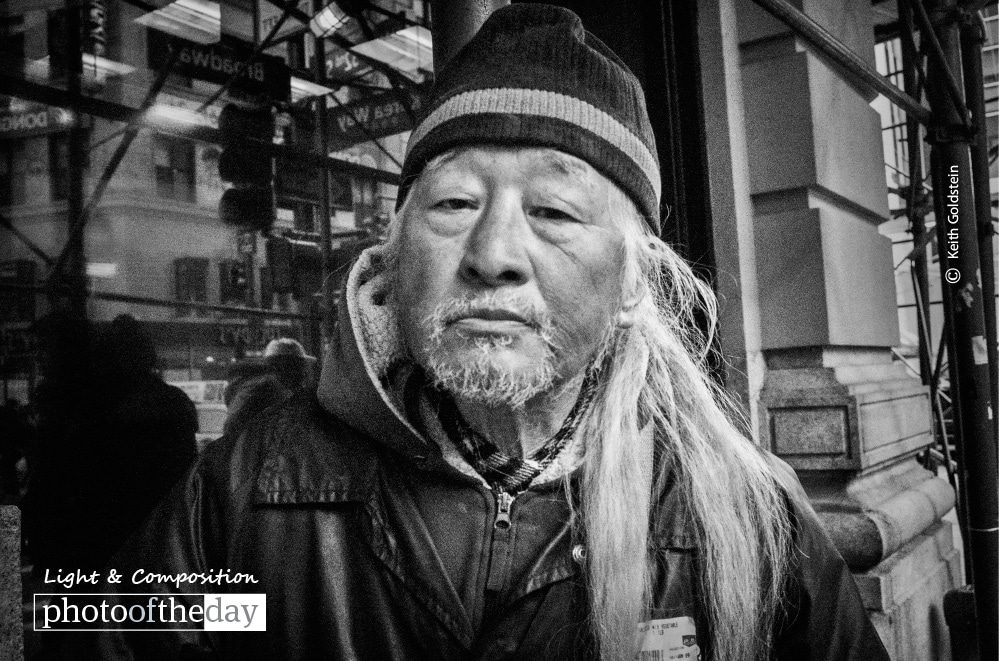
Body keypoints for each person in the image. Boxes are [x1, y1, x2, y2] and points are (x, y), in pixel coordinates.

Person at [92, 6, 888, 660]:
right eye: (454, 203)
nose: (493, 254)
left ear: (631, 282)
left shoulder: (743, 516)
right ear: (393, 258)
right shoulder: (252, 497)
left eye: (553, 210)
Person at [222, 338, 316, 437]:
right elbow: (233, 428)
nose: (304, 373)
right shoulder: (266, 389)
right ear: (287, 366)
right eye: (300, 366)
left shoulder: (266, 386)